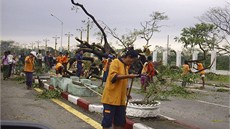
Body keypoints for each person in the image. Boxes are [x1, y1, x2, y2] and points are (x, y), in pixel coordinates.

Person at [101, 49, 139, 129]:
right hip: (110, 99)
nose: (131, 63)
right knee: (107, 123)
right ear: (128, 57)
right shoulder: (115, 62)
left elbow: (125, 83)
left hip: (121, 101)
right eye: (132, 61)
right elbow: (114, 77)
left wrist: (127, 93)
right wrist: (129, 76)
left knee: (120, 122)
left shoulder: (126, 67)